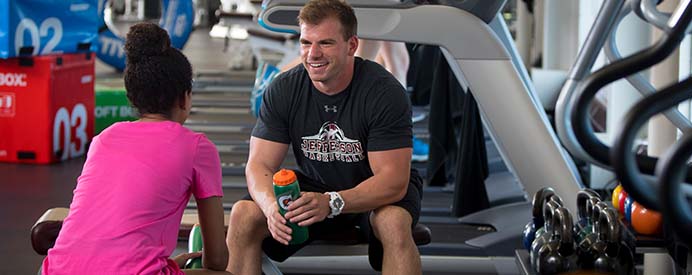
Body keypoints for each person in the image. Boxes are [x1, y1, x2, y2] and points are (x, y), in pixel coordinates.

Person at [226, 0, 423, 274]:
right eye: (306, 43)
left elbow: (393, 182)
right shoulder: (284, 88)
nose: (313, 54)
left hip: (374, 188)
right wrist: (270, 206)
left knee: (393, 223)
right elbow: (259, 165)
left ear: (352, 45)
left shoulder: (384, 92)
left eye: (326, 43)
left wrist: (332, 202)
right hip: (315, 186)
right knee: (243, 215)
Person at [41, 23, 231, 275]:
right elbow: (216, 259)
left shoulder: (103, 139)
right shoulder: (197, 147)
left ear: (133, 97)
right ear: (184, 98)